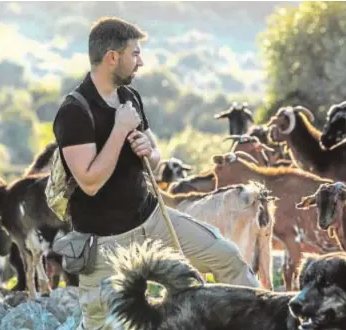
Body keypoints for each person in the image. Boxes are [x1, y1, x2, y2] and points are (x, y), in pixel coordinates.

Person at [52, 17, 260, 330]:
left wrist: (149, 150)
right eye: (134, 54)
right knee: (105, 325)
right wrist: (121, 131)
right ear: (112, 57)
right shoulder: (74, 111)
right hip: (106, 244)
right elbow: (90, 182)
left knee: (228, 259)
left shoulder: (129, 97)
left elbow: (157, 158)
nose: (140, 61)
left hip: (153, 221)